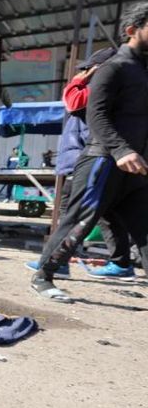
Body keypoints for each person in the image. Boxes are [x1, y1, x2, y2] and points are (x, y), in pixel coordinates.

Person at [32, 2, 148, 302]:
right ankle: (43, 276)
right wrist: (121, 150)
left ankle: (122, 264)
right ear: (132, 30)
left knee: (144, 228)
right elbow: (96, 115)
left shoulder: (143, 72)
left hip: (135, 171)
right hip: (104, 162)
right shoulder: (114, 67)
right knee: (80, 220)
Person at [25, 47, 126, 279]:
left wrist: (76, 81)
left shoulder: (97, 87)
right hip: (88, 161)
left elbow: (73, 102)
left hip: (84, 162)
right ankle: (121, 262)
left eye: (88, 69)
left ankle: (57, 262)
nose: (84, 73)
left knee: (71, 212)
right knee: (107, 214)